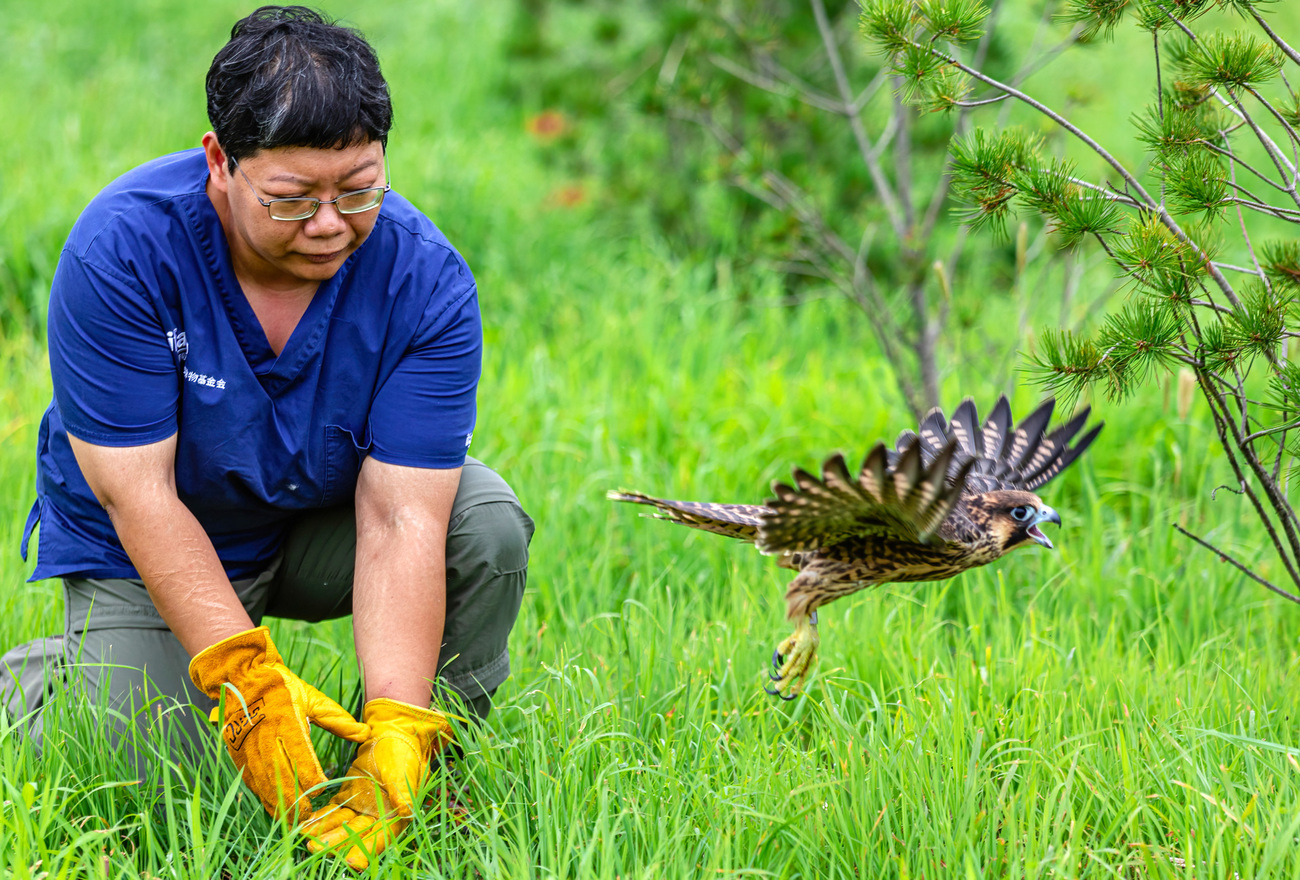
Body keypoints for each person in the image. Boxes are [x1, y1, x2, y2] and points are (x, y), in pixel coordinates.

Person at [0, 5, 533, 870]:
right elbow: (136, 492)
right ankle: (36, 689)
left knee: (484, 517)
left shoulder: (422, 279)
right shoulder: (127, 250)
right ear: (220, 161)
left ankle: (426, 783)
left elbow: (402, 518)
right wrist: (242, 675)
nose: (330, 225)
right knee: (159, 797)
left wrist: (396, 730)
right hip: (151, 545)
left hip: (313, 525)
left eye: (359, 189)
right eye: (292, 200)